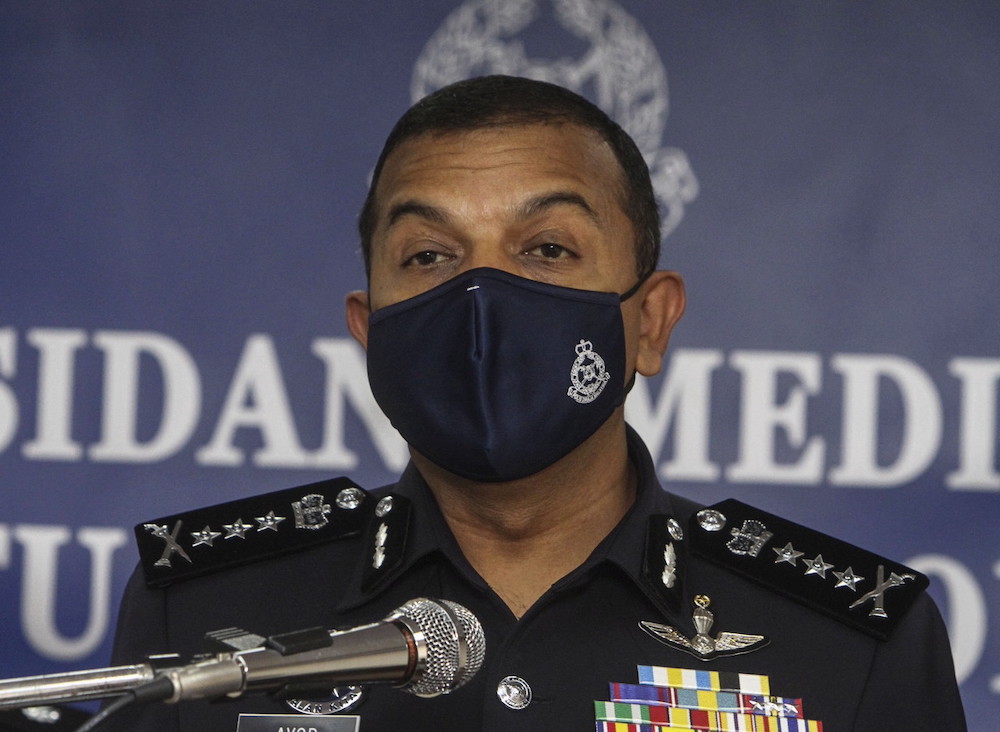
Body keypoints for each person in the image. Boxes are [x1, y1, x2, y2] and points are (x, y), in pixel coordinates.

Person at [106, 76, 967, 731]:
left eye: (547, 249)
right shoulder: (205, 612)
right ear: (370, 332)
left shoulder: (851, 640)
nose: (482, 298)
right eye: (430, 256)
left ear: (650, 322)